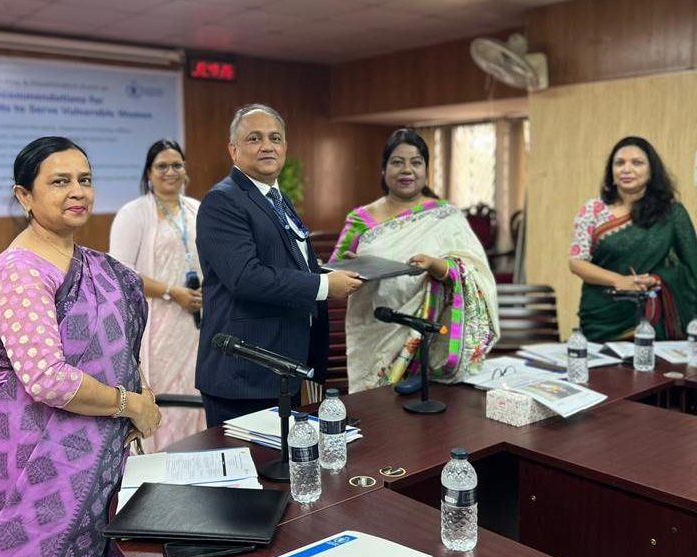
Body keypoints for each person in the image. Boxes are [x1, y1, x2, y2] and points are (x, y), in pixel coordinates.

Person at [0, 136, 160, 557]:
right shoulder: (19, 271)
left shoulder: (95, 265)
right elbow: (47, 379)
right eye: (60, 181)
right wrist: (131, 405)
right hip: (36, 455)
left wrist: (140, 395)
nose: (78, 191)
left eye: (85, 179)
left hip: (101, 447)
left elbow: (120, 347)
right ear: (25, 196)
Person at [195, 104, 363, 427]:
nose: (267, 145)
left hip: (283, 367)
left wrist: (331, 271)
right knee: (251, 474)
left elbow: (288, 264)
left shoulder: (276, 196)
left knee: (285, 472)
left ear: (285, 147)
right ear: (233, 150)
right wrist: (325, 286)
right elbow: (245, 276)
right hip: (245, 373)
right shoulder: (223, 200)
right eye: (254, 138)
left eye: (275, 137)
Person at [329, 128, 499, 394]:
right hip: (374, 329)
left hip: (428, 334)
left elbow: (473, 271)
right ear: (383, 170)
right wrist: (354, 268)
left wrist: (436, 265)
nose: (407, 170)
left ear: (427, 170)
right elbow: (334, 275)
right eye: (397, 162)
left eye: (416, 162)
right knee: (376, 414)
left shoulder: (446, 216)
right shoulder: (360, 218)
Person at [109, 139, 205, 451]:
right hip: (156, 320)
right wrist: (171, 292)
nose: (170, 171)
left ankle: (196, 458)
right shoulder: (133, 213)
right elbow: (120, 272)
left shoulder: (197, 209)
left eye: (176, 164)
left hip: (195, 322)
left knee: (195, 390)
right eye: (162, 166)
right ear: (149, 173)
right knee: (164, 391)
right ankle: (163, 464)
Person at [569, 136, 697, 341]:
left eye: (637, 163)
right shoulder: (593, 210)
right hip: (600, 316)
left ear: (651, 171)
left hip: (650, 317)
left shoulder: (671, 213)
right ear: (611, 172)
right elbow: (576, 262)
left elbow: (692, 266)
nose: (626, 169)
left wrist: (656, 279)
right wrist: (619, 280)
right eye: (619, 163)